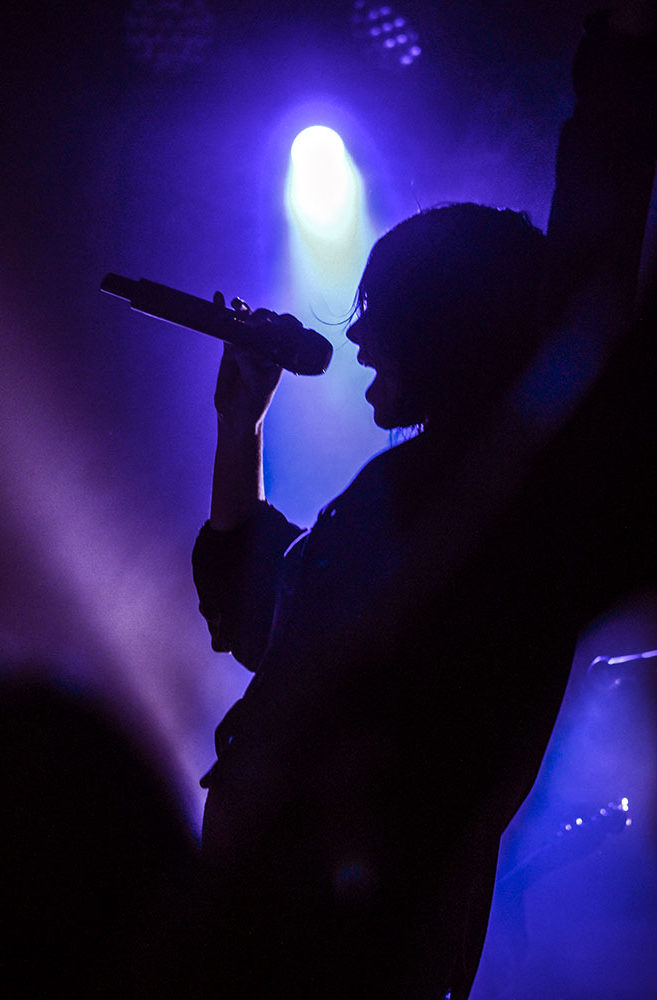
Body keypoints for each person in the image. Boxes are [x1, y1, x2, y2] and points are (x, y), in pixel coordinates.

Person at [192, 5, 656, 998]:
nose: (355, 341)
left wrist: (618, 51)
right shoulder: (397, 494)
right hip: (269, 926)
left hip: (349, 940)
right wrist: (242, 427)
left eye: (379, 311)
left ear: (447, 318)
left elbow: (590, 271)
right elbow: (257, 616)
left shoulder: (508, 492)